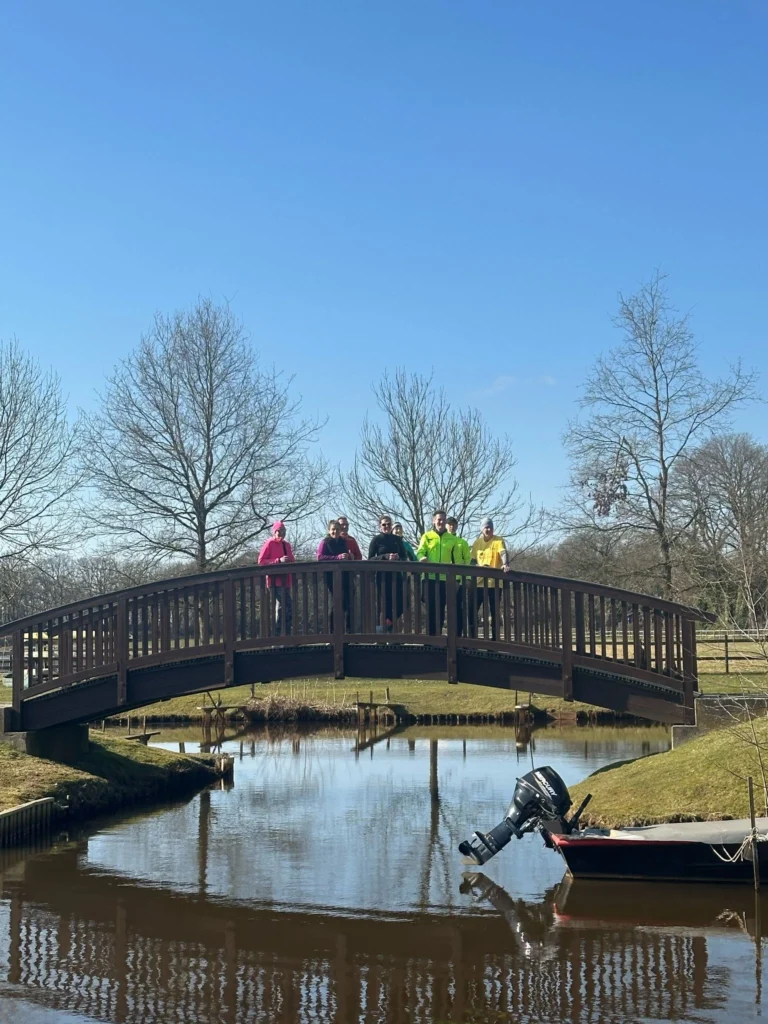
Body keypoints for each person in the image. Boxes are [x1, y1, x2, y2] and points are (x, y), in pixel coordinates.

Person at [416, 509, 460, 635]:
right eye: (439, 519)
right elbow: (420, 552)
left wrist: (457, 579)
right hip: (429, 578)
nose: (441, 522)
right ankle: (430, 638)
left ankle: (438, 637)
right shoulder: (427, 536)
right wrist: (422, 558)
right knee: (430, 608)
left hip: (444, 579)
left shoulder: (452, 539)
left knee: (441, 608)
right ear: (434, 521)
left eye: (443, 520)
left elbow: (456, 561)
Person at [470, 516, 512, 641]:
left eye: (490, 527)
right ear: (482, 529)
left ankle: (495, 640)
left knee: (495, 612)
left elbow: (503, 552)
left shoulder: (498, 540)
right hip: (479, 583)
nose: (488, 530)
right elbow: (472, 561)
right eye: (486, 527)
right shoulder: (477, 543)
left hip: (494, 583)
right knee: (473, 610)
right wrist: (478, 567)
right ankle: (473, 639)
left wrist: (505, 564)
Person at [368, 514, 408, 631]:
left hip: (396, 576)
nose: (386, 526)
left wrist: (397, 558)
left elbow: (404, 557)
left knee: (403, 602)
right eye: (384, 524)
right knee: (386, 605)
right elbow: (370, 559)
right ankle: (386, 633)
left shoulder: (397, 540)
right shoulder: (376, 540)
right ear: (380, 526)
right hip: (382, 577)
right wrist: (385, 556)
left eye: (389, 524)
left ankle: (386, 626)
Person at [258, 521, 295, 635]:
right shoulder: (269, 543)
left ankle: (286, 635)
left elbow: (292, 560)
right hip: (274, 581)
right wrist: (278, 560)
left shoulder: (287, 545)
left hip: (286, 581)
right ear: (274, 532)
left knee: (285, 607)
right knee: (285, 605)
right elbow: (261, 561)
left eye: (283, 531)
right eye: (278, 531)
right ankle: (278, 635)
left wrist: (289, 561)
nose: (281, 533)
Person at [317, 519, 352, 630]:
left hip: (344, 575)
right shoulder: (325, 542)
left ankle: (348, 631)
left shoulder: (343, 541)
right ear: (329, 530)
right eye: (333, 529)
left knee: (347, 602)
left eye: (337, 529)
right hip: (331, 576)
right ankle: (333, 631)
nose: (335, 531)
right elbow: (320, 557)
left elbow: (346, 554)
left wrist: (348, 557)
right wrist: (336, 557)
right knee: (335, 603)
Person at [446, 516, 472, 636]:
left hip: (459, 580)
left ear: (456, 526)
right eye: (449, 524)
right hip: (443, 579)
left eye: (454, 524)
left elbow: (467, 561)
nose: (451, 526)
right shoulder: (442, 541)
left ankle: (458, 635)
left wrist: (467, 578)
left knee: (458, 608)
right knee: (442, 608)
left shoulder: (462, 542)